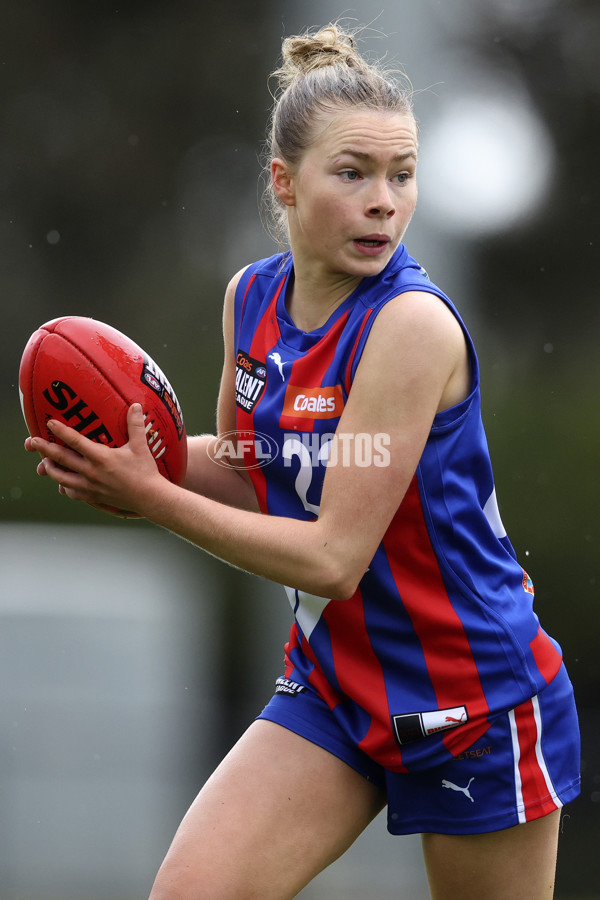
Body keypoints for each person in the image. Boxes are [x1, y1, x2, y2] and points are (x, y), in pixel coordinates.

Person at [26, 23, 580, 900]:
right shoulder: (251, 297)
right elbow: (251, 468)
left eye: (402, 176)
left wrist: (153, 498)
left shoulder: (412, 327)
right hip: (333, 685)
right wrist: (142, 462)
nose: (384, 203)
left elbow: (334, 558)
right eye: (353, 173)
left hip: (470, 703)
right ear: (284, 182)